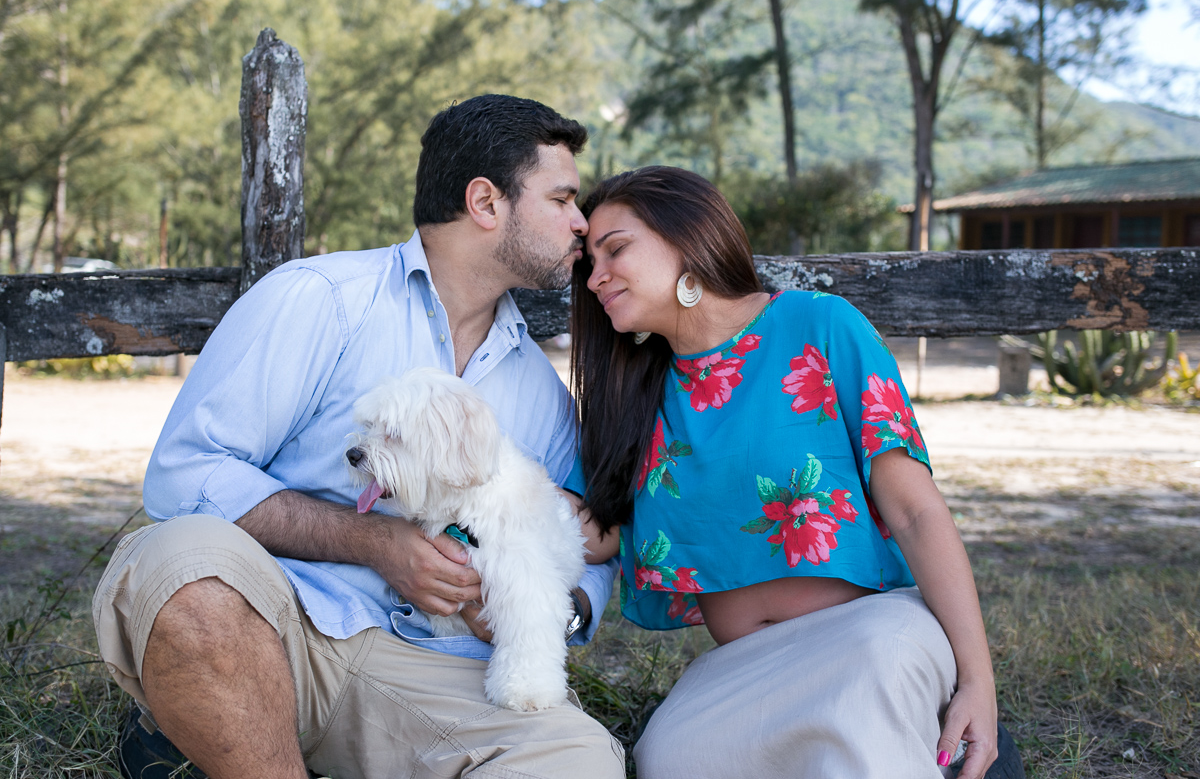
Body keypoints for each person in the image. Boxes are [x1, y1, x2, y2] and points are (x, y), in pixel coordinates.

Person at [91, 95, 623, 779]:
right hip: (281, 629)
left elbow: (583, 544)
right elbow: (184, 474)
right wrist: (374, 542)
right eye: (563, 198)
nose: (582, 222)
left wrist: (558, 612)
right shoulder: (321, 300)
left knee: (577, 765)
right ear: (486, 202)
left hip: (433, 670)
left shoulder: (538, 391)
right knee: (179, 560)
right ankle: (232, 739)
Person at [568, 166, 1002, 779]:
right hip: (748, 664)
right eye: (589, 263)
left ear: (688, 237)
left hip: (872, 632)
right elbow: (599, 530)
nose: (597, 277)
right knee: (670, 757)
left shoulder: (820, 326)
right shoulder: (636, 396)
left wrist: (978, 682)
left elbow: (914, 510)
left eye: (615, 250)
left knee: (865, 689)